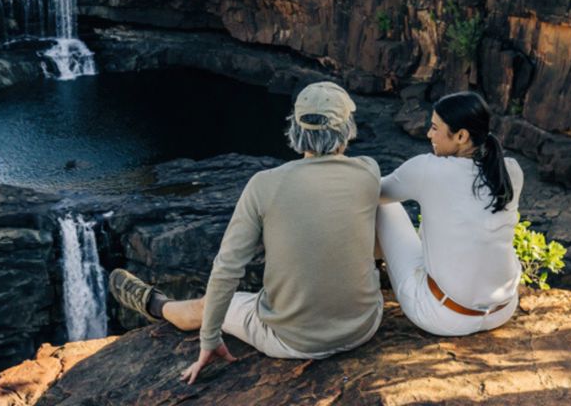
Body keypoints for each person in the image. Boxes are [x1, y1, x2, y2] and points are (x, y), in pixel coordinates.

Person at [109, 81, 383, 384]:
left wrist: (209, 339)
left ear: (295, 129)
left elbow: (227, 268)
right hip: (363, 327)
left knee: (212, 305)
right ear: (347, 128)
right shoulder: (369, 171)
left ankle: (158, 305)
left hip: (291, 341)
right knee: (387, 207)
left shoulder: (264, 185)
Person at [377, 90, 523, 337]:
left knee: (385, 207)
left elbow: (375, 192)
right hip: (503, 310)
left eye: (435, 128)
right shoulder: (511, 170)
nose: (428, 134)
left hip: (444, 317)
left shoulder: (428, 169)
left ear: (461, 136)